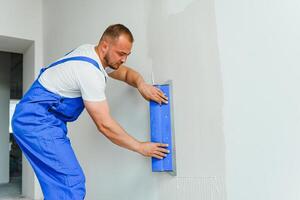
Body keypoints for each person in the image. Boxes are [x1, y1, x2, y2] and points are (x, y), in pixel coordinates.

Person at [12, 24, 169, 200]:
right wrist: (140, 147)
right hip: (35, 121)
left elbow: (125, 74)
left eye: (127, 54)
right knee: (70, 183)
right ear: (104, 46)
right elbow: (104, 125)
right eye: (121, 54)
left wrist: (141, 84)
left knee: (59, 185)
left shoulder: (91, 52)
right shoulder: (89, 72)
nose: (124, 59)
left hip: (44, 121)